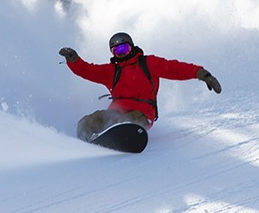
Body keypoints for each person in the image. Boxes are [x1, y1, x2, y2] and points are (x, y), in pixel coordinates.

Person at [59, 32, 221, 140]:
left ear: (132, 47)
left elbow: (175, 68)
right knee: (90, 120)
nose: (121, 54)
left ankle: (119, 134)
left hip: (142, 113)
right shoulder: (112, 71)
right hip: (115, 112)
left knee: (128, 121)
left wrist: (202, 74)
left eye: (124, 48)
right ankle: (86, 140)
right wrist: (74, 60)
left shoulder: (148, 63)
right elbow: (88, 71)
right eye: (117, 51)